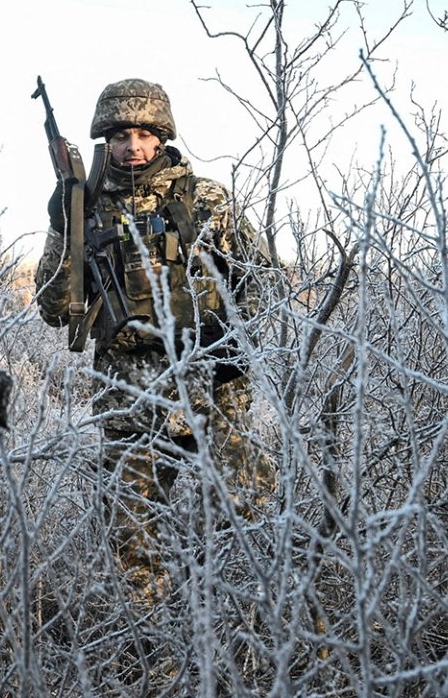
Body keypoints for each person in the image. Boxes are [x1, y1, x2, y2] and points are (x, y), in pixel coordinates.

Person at [34, 78, 277, 606]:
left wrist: (232, 342)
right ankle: (155, 643)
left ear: (162, 136)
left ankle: (249, 631)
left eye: (145, 134)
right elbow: (52, 310)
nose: (134, 146)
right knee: (133, 541)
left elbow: (262, 279)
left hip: (212, 390)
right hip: (130, 399)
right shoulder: (83, 206)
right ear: (106, 140)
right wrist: (64, 226)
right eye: (121, 136)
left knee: (251, 517)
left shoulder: (206, 199)